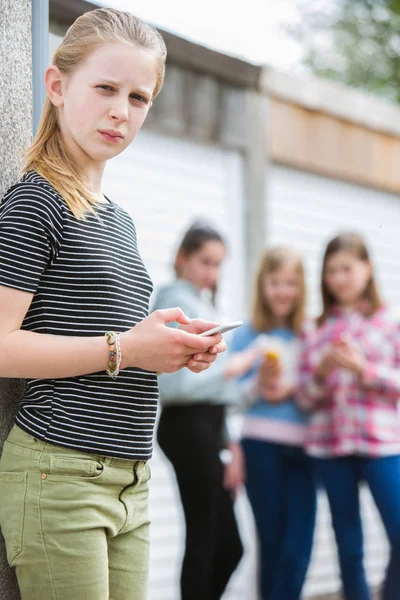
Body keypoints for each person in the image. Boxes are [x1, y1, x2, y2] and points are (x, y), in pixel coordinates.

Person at [0, 9, 227, 600]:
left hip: (131, 479)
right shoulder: (36, 201)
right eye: (104, 88)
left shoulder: (118, 219)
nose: (120, 111)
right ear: (56, 86)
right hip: (60, 474)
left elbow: (106, 343)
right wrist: (127, 346)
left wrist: (164, 348)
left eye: (138, 96)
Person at [152, 221, 254, 600]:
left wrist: (229, 445)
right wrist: (233, 369)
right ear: (182, 258)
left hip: (209, 429)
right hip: (187, 427)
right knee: (205, 540)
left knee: (229, 547)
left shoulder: (202, 302)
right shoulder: (173, 301)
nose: (211, 273)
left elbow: (217, 393)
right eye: (204, 262)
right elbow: (173, 385)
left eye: (218, 265)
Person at [298, 233, 400, 600]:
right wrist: (323, 372)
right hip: (331, 447)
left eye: (347, 268)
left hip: (382, 444)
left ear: (368, 268)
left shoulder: (391, 322)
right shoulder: (315, 329)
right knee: (349, 545)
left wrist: (364, 369)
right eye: (331, 271)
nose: (339, 278)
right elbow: (306, 400)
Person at [230, 246, 317, 600]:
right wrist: (259, 385)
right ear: (262, 285)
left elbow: (318, 394)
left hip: (304, 450)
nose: (283, 291)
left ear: (301, 288)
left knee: (298, 547)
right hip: (260, 447)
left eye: (290, 283)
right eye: (275, 282)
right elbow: (230, 399)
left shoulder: (310, 335)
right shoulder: (247, 334)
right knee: (272, 543)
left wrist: (296, 388)